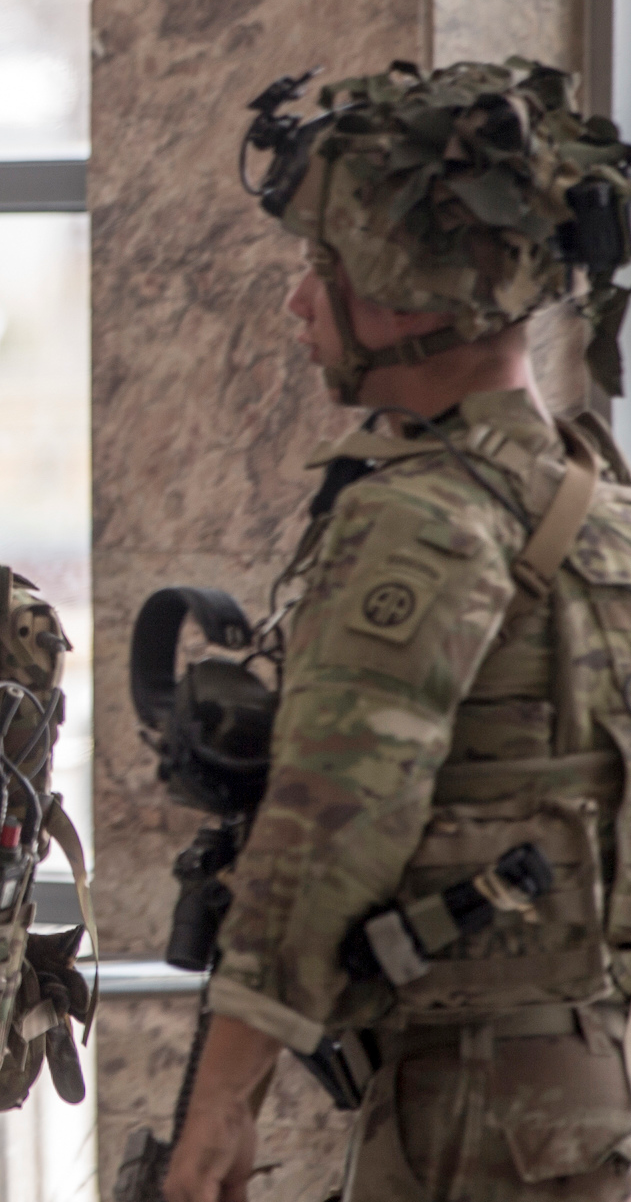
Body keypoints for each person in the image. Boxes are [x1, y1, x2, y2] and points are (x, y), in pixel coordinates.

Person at [163, 59, 631, 1202]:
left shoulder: (419, 520)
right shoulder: (599, 503)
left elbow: (331, 827)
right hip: (592, 1081)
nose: (298, 303)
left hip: (479, 1115)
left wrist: (222, 1101)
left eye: (321, 270)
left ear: (404, 297)